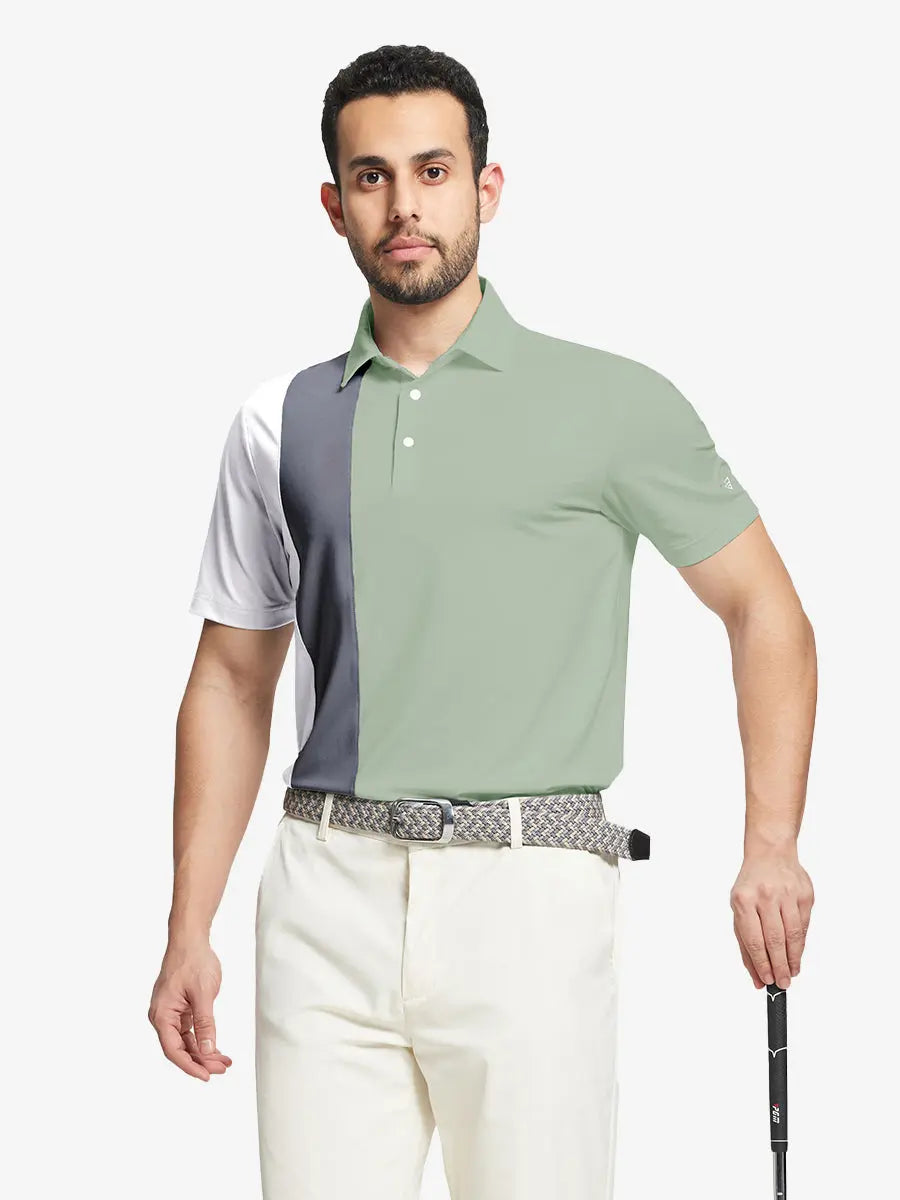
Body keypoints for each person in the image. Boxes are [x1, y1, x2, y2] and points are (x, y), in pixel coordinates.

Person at [148, 43, 816, 1200]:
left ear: (485, 188)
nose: (404, 205)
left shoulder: (613, 403)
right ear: (334, 206)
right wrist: (187, 924)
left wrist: (771, 844)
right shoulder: (278, 421)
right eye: (371, 177)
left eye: (433, 170)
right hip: (324, 892)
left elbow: (765, 609)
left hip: (530, 892)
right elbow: (232, 678)